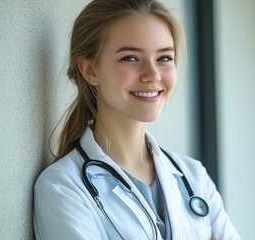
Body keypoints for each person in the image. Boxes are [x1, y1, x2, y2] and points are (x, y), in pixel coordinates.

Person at [33, 0, 241, 239]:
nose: (153, 75)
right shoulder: (63, 188)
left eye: (164, 58)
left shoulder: (194, 176)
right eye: (130, 58)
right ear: (90, 70)